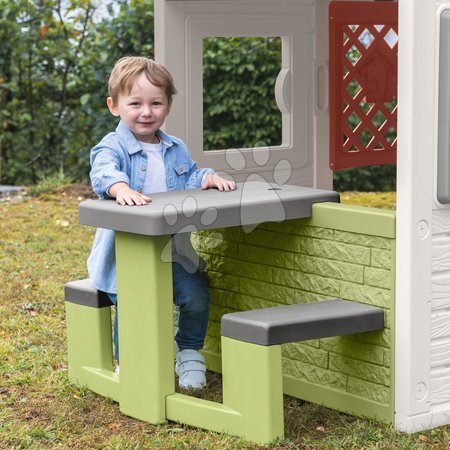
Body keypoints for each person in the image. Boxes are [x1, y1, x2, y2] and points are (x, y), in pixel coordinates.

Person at [87, 56, 235, 389]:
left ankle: (189, 351)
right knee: (133, 305)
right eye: (135, 103)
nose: (146, 111)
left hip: (173, 249)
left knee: (197, 297)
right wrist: (120, 187)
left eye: (156, 103)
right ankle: (131, 361)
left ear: (167, 106)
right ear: (114, 106)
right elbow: (102, 171)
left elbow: (190, 174)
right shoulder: (112, 147)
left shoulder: (175, 148)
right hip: (127, 253)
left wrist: (206, 177)